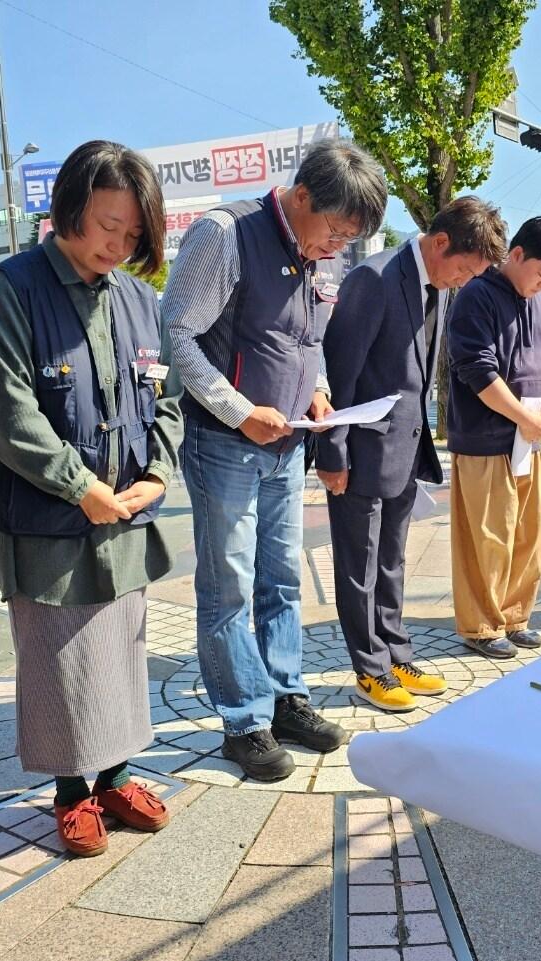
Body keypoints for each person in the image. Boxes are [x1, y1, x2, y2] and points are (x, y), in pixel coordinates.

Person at [0, 141, 181, 856]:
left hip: (124, 515)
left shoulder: (137, 298)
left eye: (131, 235)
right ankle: (68, 792)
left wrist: (157, 471)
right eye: (105, 227)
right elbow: (9, 414)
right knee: (59, 659)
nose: (116, 246)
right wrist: (80, 486)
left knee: (123, 651)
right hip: (50, 520)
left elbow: (164, 396)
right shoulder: (10, 288)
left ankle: (116, 774)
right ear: (66, 209)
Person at [162, 139, 387, 781]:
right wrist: (237, 410)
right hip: (226, 443)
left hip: (286, 444)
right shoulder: (225, 234)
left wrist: (316, 392)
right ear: (302, 196)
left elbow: (306, 341)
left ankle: (286, 698)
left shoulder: (319, 256)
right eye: (335, 230)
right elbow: (176, 332)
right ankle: (244, 720)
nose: (337, 246)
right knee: (228, 586)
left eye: (350, 238)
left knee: (281, 578)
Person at [316, 198, 505, 710]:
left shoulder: (436, 288)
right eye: (464, 268)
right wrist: (331, 453)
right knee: (360, 565)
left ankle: (396, 653)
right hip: (359, 453)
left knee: (392, 561)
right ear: (440, 243)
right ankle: (370, 668)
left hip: (405, 450)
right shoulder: (374, 279)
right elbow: (340, 373)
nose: (464, 281)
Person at [445, 216, 541, 659]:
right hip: (486, 440)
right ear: (516, 254)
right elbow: (477, 369)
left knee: (529, 534)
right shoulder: (475, 295)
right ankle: (481, 625)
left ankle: (515, 614)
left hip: (530, 439)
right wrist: (523, 416)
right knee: (487, 537)